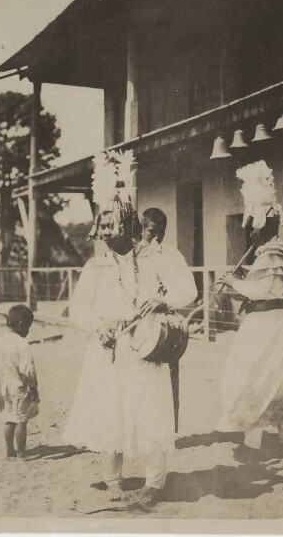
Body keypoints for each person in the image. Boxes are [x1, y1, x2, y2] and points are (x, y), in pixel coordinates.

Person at [62, 151, 197, 509]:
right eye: (101, 228)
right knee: (111, 412)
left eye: (112, 227)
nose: (105, 235)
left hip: (145, 349)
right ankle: (113, 479)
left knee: (151, 413)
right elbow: (77, 309)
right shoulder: (95, 266)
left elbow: (189, 290)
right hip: (108, 351)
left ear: (127, 225)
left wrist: (162, 302)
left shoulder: (156, 257)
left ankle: (155, 482)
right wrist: (98, 326)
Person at [216, 160, 283, 456]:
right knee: (276, 376)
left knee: (257, 376)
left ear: (260, 228)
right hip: (276, 321)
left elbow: (263, 290)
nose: (249, 233)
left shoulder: (271, 254)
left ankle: (255, 442)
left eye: (250, 227)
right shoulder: (272, 254)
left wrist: (234, 282)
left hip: (270, 324)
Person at [139, 208, 196, 433]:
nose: (156, 238)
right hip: (139, 327)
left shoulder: (172, 255)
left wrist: (166, 302)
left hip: (164, 327)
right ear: (142, 228)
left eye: (161, 233)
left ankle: (167, 432)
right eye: (152, 232)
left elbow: (190, 291)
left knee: (168, 378)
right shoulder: (132, 255)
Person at [0, 304, 40, 461]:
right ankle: (21, 453)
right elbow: (28, 369)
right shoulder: (21, 343)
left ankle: (10, 450)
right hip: (19, 388)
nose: (28, 331)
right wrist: (34, 388)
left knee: (8, 419)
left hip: (3, 387)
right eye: (28, 327)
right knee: (21, 420)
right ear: (20, 325)